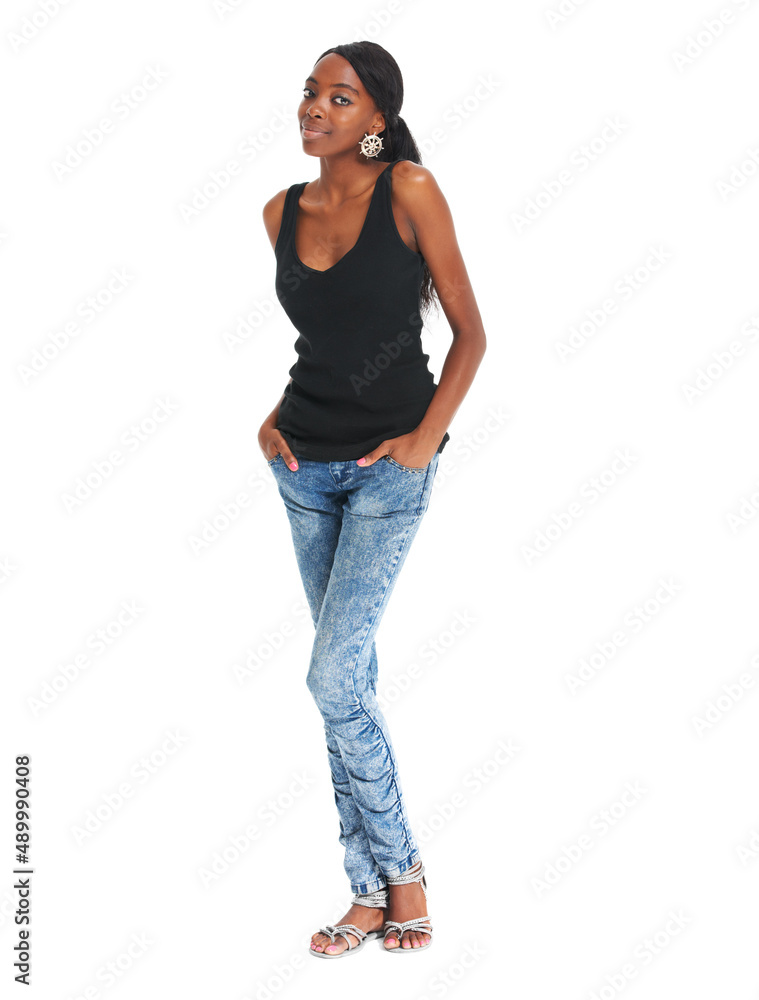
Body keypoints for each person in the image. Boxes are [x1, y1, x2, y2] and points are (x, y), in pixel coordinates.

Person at [259, 40, 486, 958]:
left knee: (330, 678)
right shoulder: (278, 211)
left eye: (340, 97)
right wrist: (272, 418)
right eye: (310, 92)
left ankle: (402, 877)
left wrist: (425, 440)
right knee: (343, 683)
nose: (316, 106)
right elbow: (325, 344)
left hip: (390, 466)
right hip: (301, 468)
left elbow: (471, 332)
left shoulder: (409, 190)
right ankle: (368, 890)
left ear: (376, 120)